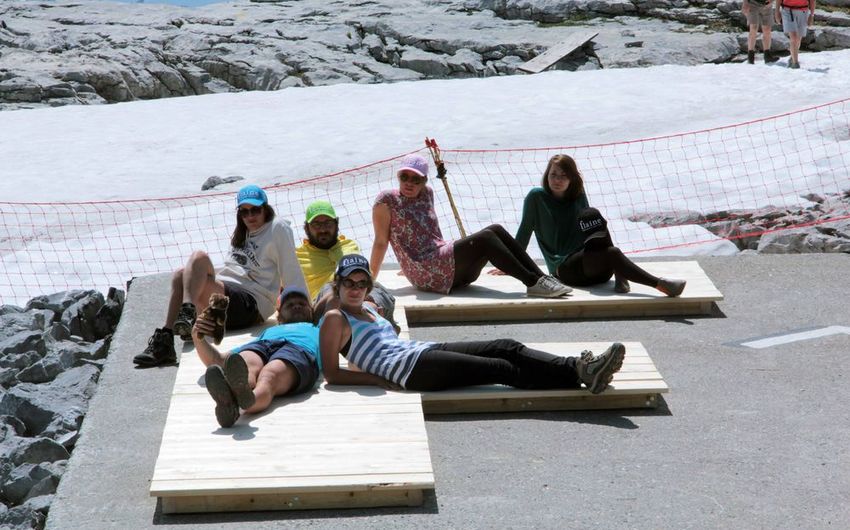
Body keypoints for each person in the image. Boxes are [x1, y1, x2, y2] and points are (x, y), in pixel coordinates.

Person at [319, 254, 625, 394]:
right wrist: (375, 379)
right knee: (498, 368)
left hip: (421, 352)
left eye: (361, 282)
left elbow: (374, 349)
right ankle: (581, 373)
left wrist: (370, 363)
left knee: (505, 347)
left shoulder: (371, 308)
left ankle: (579, 369)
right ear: (338, 284)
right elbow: (331, 373)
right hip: (413, 370)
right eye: (349, 283)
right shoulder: (335, 318)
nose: (356, 288)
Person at [134, 184, 308, 368]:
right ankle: (166, 339)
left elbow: (291, 270)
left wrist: (303, 310)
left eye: (255, 210)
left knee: (198, 258)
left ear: (266, 208)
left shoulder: (277, 228)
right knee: (180, 275)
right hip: (227, 298)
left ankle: (188, 311)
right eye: (244, 212)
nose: (250, 216)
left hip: (251, 302)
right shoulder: (243, 232)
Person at [370, 154, 570, 298]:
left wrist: (411, 263)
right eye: (404, 177)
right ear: (398, 177)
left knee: (495, 229)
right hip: (429, 273)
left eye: (416, 179)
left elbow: (429, 234)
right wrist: (370, 282)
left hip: (443, 265)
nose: (409, 183)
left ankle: (541, 279)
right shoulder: (387, 201)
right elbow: (381, 242)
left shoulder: (426, 193)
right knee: (485, 239)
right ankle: (532, 282)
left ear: (424, 181)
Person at [514, 154, 686, 296]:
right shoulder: (537, 197)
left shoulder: (578, 195)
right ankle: (658, 284)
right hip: (566, 269)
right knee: (612, 252)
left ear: (572, 178)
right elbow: (524, 230)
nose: (557, 180)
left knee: (591, 215)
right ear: (546, 175)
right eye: (553, 174)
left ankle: (622, 273)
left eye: (563, 175)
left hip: (594, 267)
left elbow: (592, 231)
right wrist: (515, 263)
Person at [194, 286, 320, 428]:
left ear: (311, 311)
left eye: (302, 304)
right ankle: (236, 394)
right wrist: (197, 336)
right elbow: (217, 360)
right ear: (280, 316)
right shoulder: (269, 331)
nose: (296, 306)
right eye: (290, 305)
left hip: (300, 349)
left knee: (270, 374)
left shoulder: (320, 328)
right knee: (246, 363)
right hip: (264, 344)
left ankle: (237, 405)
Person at [295, 199, 400, 331]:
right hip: (326, 301)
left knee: (375, 290)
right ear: (306, 228)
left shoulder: (349, 245)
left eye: (328, 223)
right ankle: (370, 323)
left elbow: (365, 278)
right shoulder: (297, 256)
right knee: (334, 288)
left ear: (336, 224)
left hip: (361, 291)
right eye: (316, 224)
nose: (323, 229)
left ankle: (371, 315)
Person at [776, 0, 815, 69]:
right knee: (794, 37)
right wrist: (777, 12)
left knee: (798, 38)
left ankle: (793, 57)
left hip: (803, 11)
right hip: (787, 10)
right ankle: (795, 63)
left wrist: (812, 15)